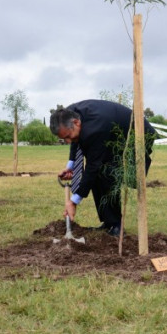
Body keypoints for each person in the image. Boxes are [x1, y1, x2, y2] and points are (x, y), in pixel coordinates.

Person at [50, 100, 156, 237]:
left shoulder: (95, 128)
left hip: (138, 136)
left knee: (107, 171)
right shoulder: (67, 115)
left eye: (68, 137)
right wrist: (71, 166)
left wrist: (74, 201)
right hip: (112, 133)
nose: (68, 141)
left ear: (76, 123)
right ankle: (109, 222)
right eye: (64, 139)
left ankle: (116, 226)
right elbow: (77, 141)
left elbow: (93, 166)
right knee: (100, 172)